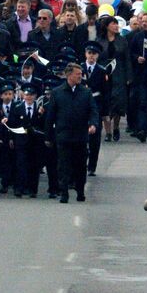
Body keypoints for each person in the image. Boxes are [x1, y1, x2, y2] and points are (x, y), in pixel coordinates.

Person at [45, 62, 99, 203]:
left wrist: (93, 124)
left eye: (81, 74)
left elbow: (93, 111)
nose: (80, 76)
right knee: (63, 165)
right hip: (63, 136)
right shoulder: (57, 92)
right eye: (77, 74)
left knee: (80, 165)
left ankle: (80, 190)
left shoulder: (86, 92)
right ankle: (64, 193)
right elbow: (50, 116)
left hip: (80, 135)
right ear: (69, 75)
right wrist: (48, 136)